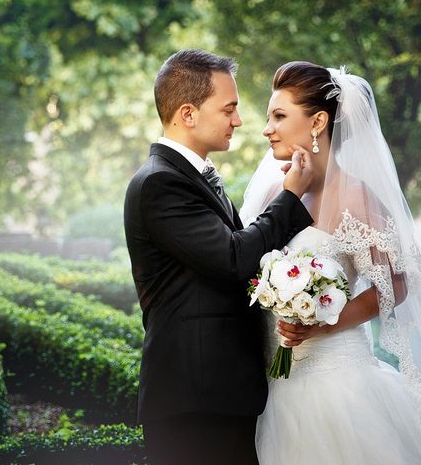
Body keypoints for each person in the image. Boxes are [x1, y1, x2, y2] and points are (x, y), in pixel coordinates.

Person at [123, 49, 314, 465]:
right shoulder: (161, 183)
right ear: (188, 114)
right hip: (195, 400)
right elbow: (234, 257)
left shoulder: (190, 175)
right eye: (229, 109)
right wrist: (291, 195)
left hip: (217, 394)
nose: (239, 121)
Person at [240, 61, 421, 464]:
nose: (267, 128)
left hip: (337, 381)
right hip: (274, 383)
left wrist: (322, 322)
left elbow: (395, 285)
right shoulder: (275, 189)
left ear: (318, 121)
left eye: (279, 116)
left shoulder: (357, 196)